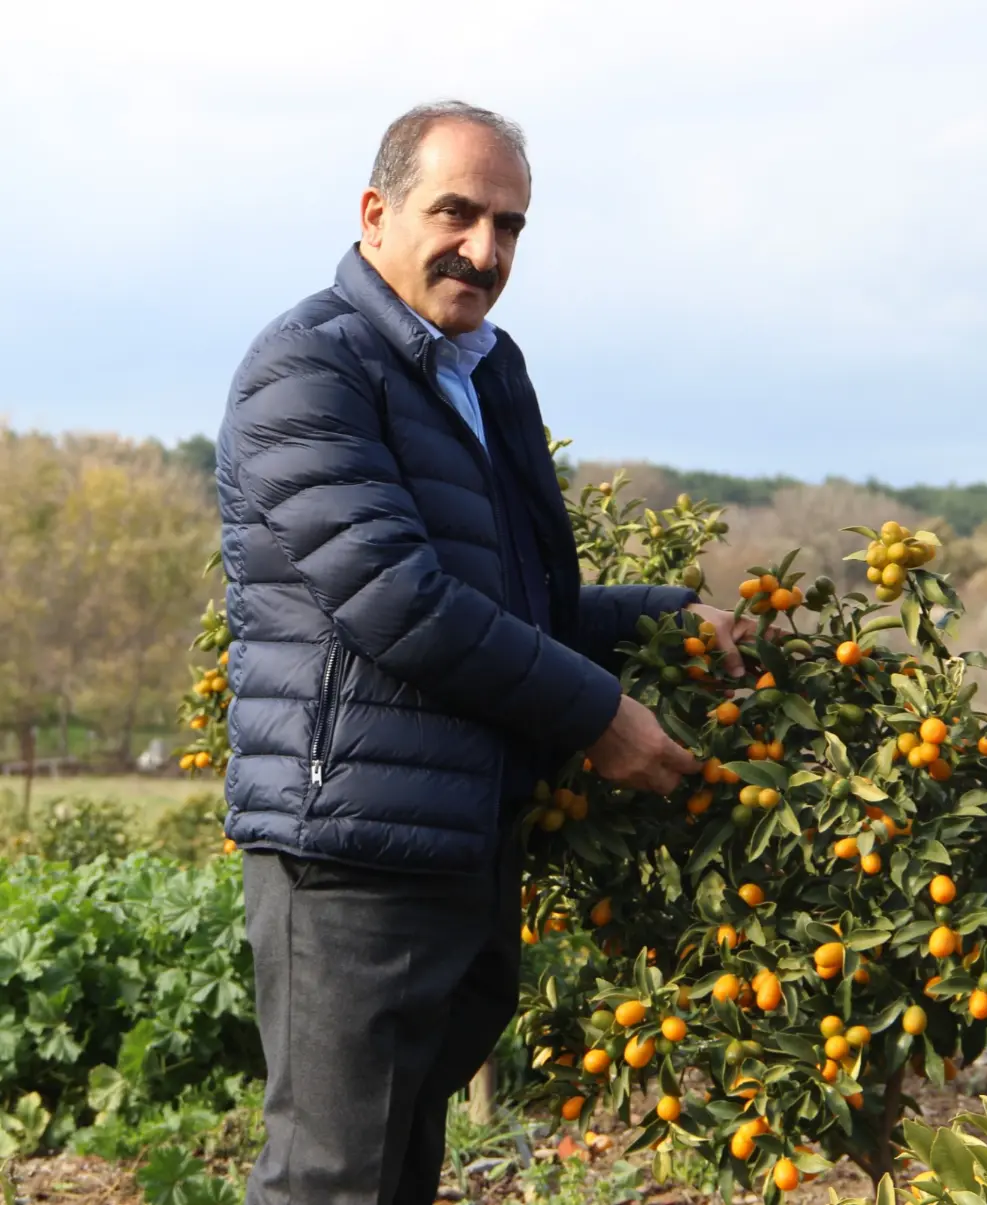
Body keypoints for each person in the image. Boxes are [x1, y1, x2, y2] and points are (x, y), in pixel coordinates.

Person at [216, 100, 757, 1205]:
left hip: (454, 834)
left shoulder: (473, 373)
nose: (486, 248)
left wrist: (665, 619)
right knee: (334, 1178)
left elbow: (513, 595)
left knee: (395, 1165)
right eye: (455, 212)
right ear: (376, 214)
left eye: (509, 225)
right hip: (352, 852)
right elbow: (399, 599)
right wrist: (599, 716)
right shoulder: (307, 370)